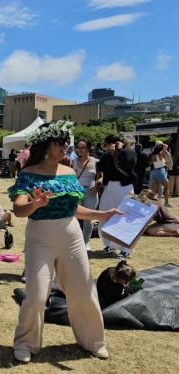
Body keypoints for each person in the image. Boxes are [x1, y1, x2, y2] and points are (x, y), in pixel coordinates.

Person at [9, 121, 119, 363]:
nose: (65, 146)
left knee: (84, 291)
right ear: (47, 144)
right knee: (37, 294)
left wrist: (101, 215)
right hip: (40, 238)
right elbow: (18, 210)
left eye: (66, 142)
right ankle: (26, 342)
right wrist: (34, 204)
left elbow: (74, 208)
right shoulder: (28, 173)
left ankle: (93, 341)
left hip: (72, 237)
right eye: (60, 142)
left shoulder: (69, 171)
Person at [96, 135, 137, 258]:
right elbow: (99, 166)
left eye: (111, 144)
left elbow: (130, 163)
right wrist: (100, 179)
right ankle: (109, 244)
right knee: (104, 214)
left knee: (125, 217)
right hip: (110, 187)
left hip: (125, 187)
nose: (109, 147)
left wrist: (120, 151)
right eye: (107, 144)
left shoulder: (128, 152)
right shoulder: (106, 156)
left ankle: (126, 249)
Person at [72, 139, 99, 251]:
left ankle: (86, 242)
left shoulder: (95, 161)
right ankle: (76, 241)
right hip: (77, 191)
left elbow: (101, 176)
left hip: (91, 191)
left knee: (88, 219)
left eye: (83, 147)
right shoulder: (74, 161)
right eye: (79, 147)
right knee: (76, 218)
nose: (80, 150)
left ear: (88, 148)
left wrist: (97, 186)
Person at [149, 141, 172, 207]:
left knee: (154, 190)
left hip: (154, 171)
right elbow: (166, 146)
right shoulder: (160, 154)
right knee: (167, 187)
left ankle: (151, 203)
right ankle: (166, 203)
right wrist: (162, 145)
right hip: (160, 171)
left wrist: (157, 146)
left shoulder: (152, 154)